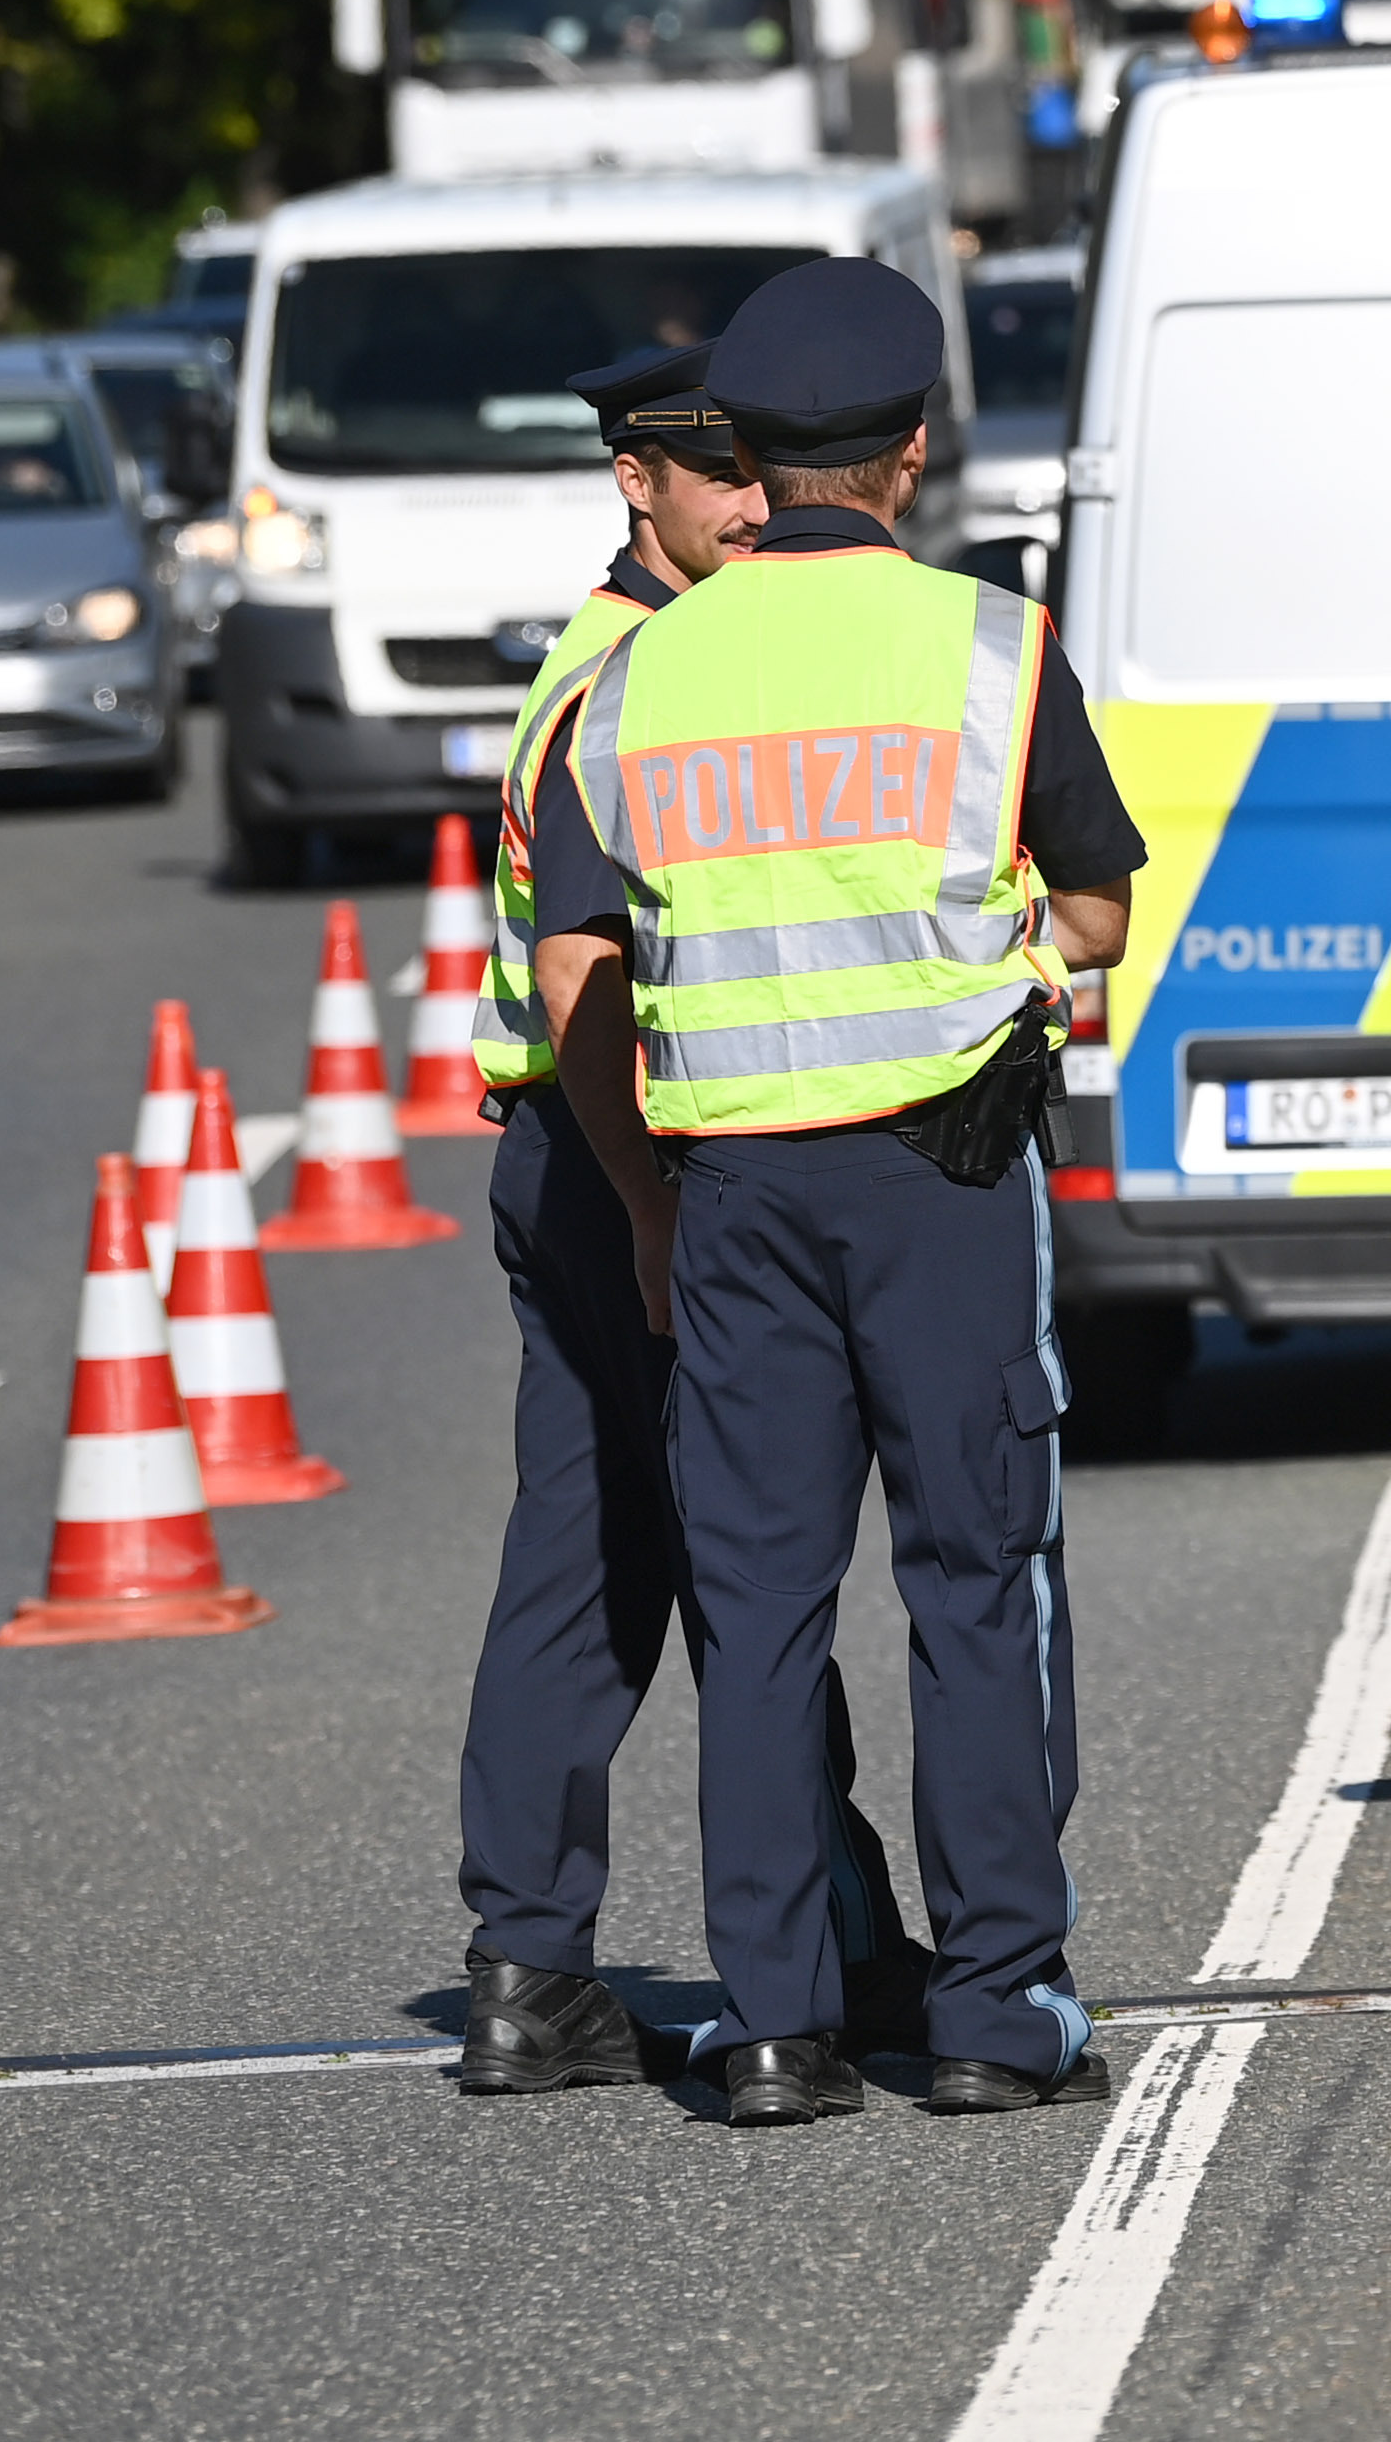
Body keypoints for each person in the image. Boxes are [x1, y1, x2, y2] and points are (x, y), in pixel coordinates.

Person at [521, 260, 1148, 2129]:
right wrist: (1028, 955)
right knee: (975, 1577)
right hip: (940, 1177)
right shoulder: (984, 645)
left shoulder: (640, 671)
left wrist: (641, 1201)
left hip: (731, 1202)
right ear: (911, 450)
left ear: (751, 457)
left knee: (763, 1600)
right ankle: (991, 2002)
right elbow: (1101, 900)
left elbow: (577, 976)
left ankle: (779, 2024)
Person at [448, 342, 927, 2096]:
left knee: (588, 1559)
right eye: (711, 473)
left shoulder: (618, 656)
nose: (750, 502)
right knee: (753, 1554)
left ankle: (526, 1965)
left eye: (760, 468)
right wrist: (652, 1205)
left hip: (575, 1151)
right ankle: (837, 1949)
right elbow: (597, 970)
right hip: (639, 1153)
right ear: (632, 482)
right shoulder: (643, 670)